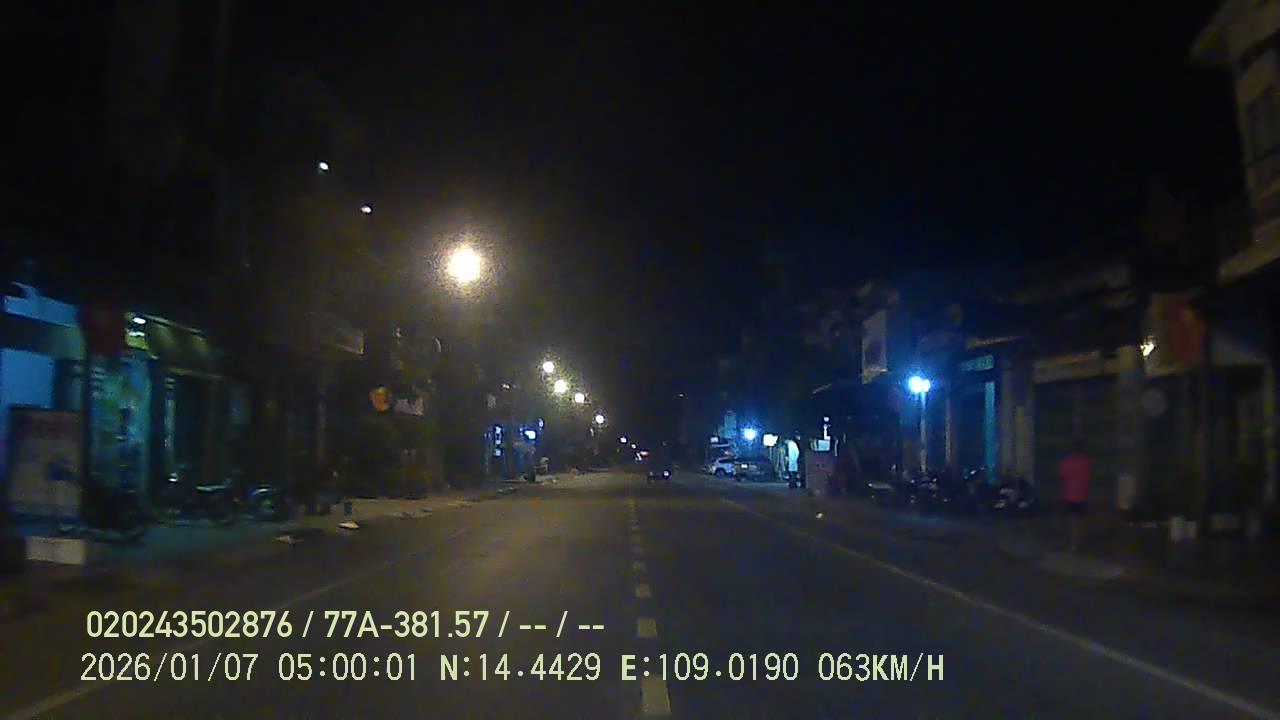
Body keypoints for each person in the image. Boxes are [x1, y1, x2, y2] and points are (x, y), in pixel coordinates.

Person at [1058, 440, 1092, 552]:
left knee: (1072, 520)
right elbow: (1088, 478)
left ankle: (1074, 543)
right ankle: (1080, 541)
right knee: (1081, 519)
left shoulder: (1066, 462)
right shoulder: (1086, 462)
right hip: (1083, 494)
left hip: (1070, 495)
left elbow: (1062, 478)